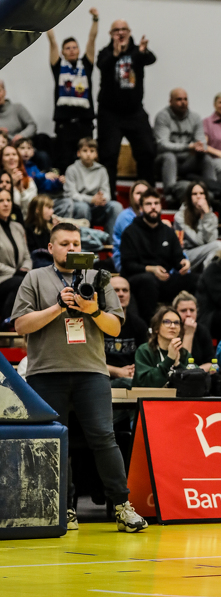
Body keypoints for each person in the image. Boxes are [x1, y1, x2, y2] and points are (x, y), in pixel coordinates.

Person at [12, 221, 147, 532]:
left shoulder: (98, 278)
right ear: (51, 248)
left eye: (76, 243)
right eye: (64, 244)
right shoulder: (35, 277)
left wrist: (92, 310)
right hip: (46, 373)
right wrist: (59, 307)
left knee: (104, 438)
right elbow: (20, 325)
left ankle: (123, 506)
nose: (71, 248)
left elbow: (115, 328)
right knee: (54, 442)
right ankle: (64, 508)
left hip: (92, 373)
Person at [96, 18, 156, 197]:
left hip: (134, 112)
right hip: (110, 113)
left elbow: (151, 59)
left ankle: (147, 196)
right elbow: (102, 65)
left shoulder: (137, 51)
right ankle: (109, 197)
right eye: (116, 30)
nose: (120, 33)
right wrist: (115, 54)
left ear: (129, 32)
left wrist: (143, 51)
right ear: (111, 34)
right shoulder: (105, 52)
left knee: (147, 151)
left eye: (124, 29)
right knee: (108, 155)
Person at [120, 187, 191, 323]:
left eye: (156, 203)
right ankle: (150, 325)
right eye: (148, 204)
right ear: (141, 208)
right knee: (148, 281)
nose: (153, 207)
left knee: (194, 279)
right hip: (138, 279)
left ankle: (188, 322)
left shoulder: (168, 231)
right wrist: (151, 269)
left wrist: (184, 263)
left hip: (164, 279)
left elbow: (177, 257)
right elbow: (127, 264)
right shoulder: (130, 232)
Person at [47, 8, 98, 172]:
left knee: (86, 164)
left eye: (74, 47)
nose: (71, 50)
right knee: (64, 163)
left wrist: (95, 19)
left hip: (84, 123)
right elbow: (52, 41)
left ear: (79, 50)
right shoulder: (58, 67)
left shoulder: (86, 65)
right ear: (62, 52)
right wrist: (47, 21)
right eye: (67, 48)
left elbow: (92, 39)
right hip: (64, 124)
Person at [154, 87, 218, 203]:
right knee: (169, 156)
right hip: (165, 161)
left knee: (206, 159)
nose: (183, 102)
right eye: (179, 99)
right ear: (171, 101)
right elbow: (162, 145)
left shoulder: (195, 117)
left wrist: (200, 148)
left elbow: (201, 142)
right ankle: (169, 193)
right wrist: (188, 147)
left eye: (185, 99)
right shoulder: (163, 116)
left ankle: (213, 192)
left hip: (187, 161)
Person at [61, 138, 122, 234]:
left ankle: (111, 241)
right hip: (78, 206)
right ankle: (83, 240)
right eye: (85, 151)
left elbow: (107, 193)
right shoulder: (71, 169)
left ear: (96, 154)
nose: (88, 154)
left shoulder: (102, 170)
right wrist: (91, 199)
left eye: (92, 151)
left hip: (97, 206)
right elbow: (71, 195)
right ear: (78, 153)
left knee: (116, 206)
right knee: (82, 207)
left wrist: (102, 199)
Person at [134, 304, 189, 387]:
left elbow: (192, 383)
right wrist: (169, 359)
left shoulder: (183, 353)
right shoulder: (144, 351)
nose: (173, 326)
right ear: (156, 328)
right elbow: (145, 383)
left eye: (176, 323)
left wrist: (178, 365)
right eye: (167, 322)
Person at [105, 276, 148, 384]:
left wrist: (132, 371)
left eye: (125, 290)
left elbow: (144, 359)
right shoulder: (96, 324)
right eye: (116, 290)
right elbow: (89, 363)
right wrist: (117, 371)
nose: (121, 294)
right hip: (103, 378)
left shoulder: (139, 325)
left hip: (131, 378)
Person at [174, 181, 221, 270]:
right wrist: (203, 217)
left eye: (201, 193)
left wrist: (206, 216)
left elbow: (211, 241)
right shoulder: (180, 217)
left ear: (206, 196)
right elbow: (198, 242)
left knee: (217, 248)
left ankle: (207, 273)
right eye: (194, 194)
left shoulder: (212, 217)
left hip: (205, 255)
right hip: (186, 256)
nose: (198, 196)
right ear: (189, 197)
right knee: (218, 245)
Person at [0, 187, 31, 316]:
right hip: (2, 279)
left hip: (19, 277)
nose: (6, 204)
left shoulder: (18, 227)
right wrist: (15, 272)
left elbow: (27, 256)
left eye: (8, 200)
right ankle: (7, 321)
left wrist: (25, 269)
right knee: (19, 283)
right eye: (1, 201)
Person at [112, 179, 150, 271]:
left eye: (145, 193)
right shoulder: (125, 216)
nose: (142, 196)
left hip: (147, 259)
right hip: (126, 261)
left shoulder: (151, 216)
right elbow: (135, 243)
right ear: (132, 196)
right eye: (138, 193)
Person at [172, 291, 213, 370]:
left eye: (192, 310)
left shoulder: (202, 330)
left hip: (198, 374)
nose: (188, 314)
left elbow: (211, 363)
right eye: (183, 310)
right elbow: (181, 366)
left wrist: (195, 372)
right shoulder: (170, 330)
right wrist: (189, 334)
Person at [2, 143, 37, 217]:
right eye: (7, 155)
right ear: (1, 160)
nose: (11, 157)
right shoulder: (1, 183)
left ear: (19, 158)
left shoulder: (28, 181)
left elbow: (31, 210)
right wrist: (11, 186)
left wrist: (21, 190)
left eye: (14, 154)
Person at [25, 194, 57, 263]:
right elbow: (34, 253)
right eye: (49, 208)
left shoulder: (48, 228)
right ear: (38, 210)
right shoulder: (27, 229)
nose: (52, 211)